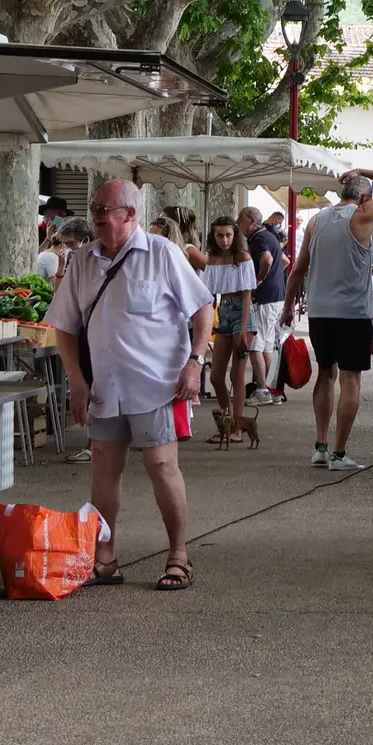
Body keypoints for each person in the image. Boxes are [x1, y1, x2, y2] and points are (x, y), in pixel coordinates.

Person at [48, 179, 214, 592]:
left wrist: (196, 362)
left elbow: (203, 307)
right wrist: (77, 380)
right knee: (104, 469)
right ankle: (104, 559)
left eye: (106, 210)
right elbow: (64, 328)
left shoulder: (162, 253)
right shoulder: (83, 261)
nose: (97, 217)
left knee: (161, 466)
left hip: (157, 385)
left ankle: (178, 554)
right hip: (104, 387)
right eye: (95, 209)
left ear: (130, 214)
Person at [283, 166, 373, 471]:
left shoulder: (316, 221)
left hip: (320, 311)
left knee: (326, 374)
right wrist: (362, 170)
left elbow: (298, 269)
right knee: (351, 379)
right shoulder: (362, 215)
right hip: (353, 312)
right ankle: (339, 453)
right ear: (364, 196)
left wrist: (287, 307)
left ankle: (321, 446)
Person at [203, 214, 257, 436]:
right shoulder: (213, 259)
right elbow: (209, 295)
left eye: (227, 235)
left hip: (242, 316)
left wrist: (244, 329)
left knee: (237, 374)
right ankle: (228, 423)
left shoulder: (242, 257)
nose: (223, 240)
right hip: (223, 312)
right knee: (216, 376)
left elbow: (247, 296)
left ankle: (236, 428)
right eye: (219, 235)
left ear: (235, 235)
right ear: (213, 236)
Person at [244, 206, 286, 404]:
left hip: (264, 298)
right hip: (276, 296)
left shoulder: (259, 238)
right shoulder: (270, 236)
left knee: (255, 345)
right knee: (267, 345)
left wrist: (259, 280)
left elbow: (267, 259)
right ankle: (271, 390)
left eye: (240, 220)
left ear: (252, 221)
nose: (238, 224)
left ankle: (262, 390)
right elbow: (285, 261)